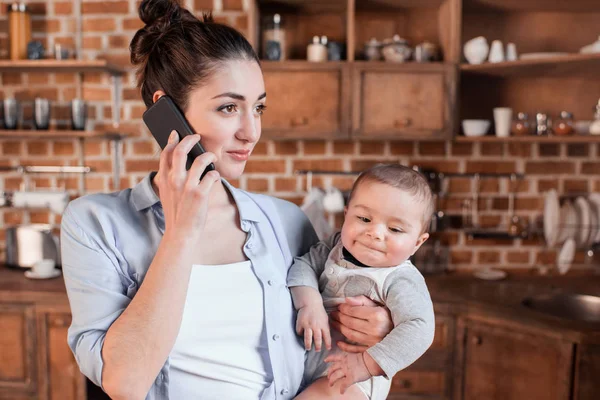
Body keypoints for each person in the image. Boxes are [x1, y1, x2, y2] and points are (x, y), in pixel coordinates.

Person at [60, 1, 394, 399]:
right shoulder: (95, 224)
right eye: (229, 107)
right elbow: (125, 383)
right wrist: (181, 233)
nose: (251, 131)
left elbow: (331, 360)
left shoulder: (289, 224)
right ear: (165, 110)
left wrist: (375, 329)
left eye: (258, 108)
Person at [289, 164, 436, 400]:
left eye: (395, 229)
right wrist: (310, 304)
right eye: (364, 218)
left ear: (417, 243)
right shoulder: (333, 248)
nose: (375, 232)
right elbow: (304, 265)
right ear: (346, 215)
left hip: (351, 378)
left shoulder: (400, 279)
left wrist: (365, 365)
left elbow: (419, 328)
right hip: (305, 366)